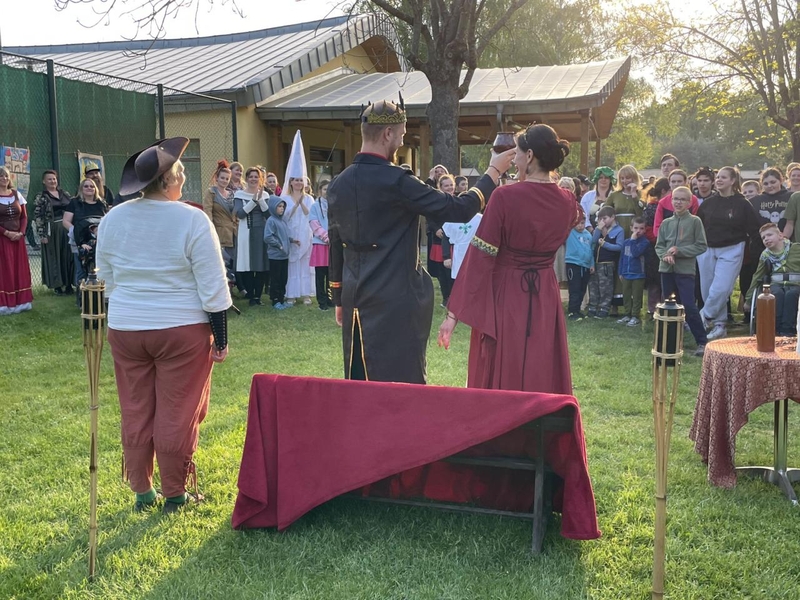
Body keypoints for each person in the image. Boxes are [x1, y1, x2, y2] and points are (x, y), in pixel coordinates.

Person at [327, 98, 512, 383]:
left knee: (360, 381)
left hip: (354, 297)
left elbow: (336, 244)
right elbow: (459, 209)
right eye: (401, 135)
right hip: (396, 298)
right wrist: (492, 172)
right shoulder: (397, 181)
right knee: (402, 383)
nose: (401, 141)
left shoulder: (338, 183)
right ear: (387, 134)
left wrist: (339, 296)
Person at [95, 137, 231, 514]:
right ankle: (174, 492)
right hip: (181, 328)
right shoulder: (191, 218)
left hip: (126, 327)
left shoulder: (112, 219)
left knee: (136, 407)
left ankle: (141, 489)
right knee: (177, 409)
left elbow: (105, 276)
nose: (185, 176)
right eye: (181, 171)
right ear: (168, 180)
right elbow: (214, 286)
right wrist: (220, 339)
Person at [437, 123, 579, 393]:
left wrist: (453, 315)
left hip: (508, 293)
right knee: (541, 361)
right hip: (545, 294)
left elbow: (480, 257)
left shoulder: (504, 196)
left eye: (518, 153)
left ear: (530, 156)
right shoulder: (567, 201)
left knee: (505, 362)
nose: (514, 159)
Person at [656, 186, 708, 356]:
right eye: (675, 199)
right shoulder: (666, 223)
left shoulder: (695, 221)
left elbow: (701, 245)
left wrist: (680, 251)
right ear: (671, 201)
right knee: (669, 306)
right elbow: (659, 246)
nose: (678, 202)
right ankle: (670, 342)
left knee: (689, 305)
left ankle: (702, 341)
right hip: (667, 270)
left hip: (685, 271)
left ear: (689, 202)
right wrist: (665, 256)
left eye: (682, 199)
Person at [743, 223, 800, 336]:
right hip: (776, 284)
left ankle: (787, 329)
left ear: (780, 236)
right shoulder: (765, 255)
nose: (766, 239)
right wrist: (749, 299)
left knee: (791, 294)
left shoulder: (796, 248)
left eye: (769, 235)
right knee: (775, 294)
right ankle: (774, 329)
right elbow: (757, 276)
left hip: (796, 284)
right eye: (763, 238)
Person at [63, 179, 109, 302]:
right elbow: (66, 221)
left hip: (99, 240)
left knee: (100, 269)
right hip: (79, 239)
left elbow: (106, 221)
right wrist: (77, 233)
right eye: (86, 186)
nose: (89, 188)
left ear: (96, 189)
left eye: (92, 186)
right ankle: (82, 299)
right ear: (81, 189)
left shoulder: (101, 203)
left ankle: (100, 298)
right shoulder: (75, 202)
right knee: (81, 270)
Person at [33, 170, 74, 295]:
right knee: (55, 256)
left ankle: (69, 285)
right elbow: (38, 216)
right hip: (52, 230)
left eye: (54, 179)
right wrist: (42, 234)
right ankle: (57, 286)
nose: (52, 181)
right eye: (49, 179)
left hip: (67, 229)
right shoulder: (41, 197)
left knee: (69, 256)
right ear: (44, 181)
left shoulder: (65, 194)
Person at [0, 166, 34, 315]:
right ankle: (5, 303)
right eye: (1, 176)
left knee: (18, 269)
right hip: (2, 239)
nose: (4, 179)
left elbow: (24, 217)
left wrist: (21, 232)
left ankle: (22, 302)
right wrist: (6, 232)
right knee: (4, 270)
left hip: (18, 240)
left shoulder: (16, 194)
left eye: (6, 176)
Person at [234, 168, 270, 306]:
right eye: (251, 176)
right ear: (247, 178)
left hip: (261, 231)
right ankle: (251, 295)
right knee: (247, 264)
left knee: (260, 264)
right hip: (245, 231)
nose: (253, 179)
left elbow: (268, 215)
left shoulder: (265, 194)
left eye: (256, 177)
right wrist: (253, 201)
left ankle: (257, 296)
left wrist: (260, 200)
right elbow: (240, 214)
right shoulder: (240, 194)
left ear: (259, 179)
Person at [587, 205, 624, 318]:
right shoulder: (599, 228)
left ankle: (604, 308)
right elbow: (593, 241)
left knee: (606, 288)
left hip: (607, 264)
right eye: (600, 219)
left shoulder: (619, 230)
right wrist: (598, 229)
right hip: (595, 263)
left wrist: (605, 244)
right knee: (593, 286)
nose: (602, 221)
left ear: (613, 217)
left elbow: (619, 247)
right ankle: (593, 307)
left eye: (605, 218)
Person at [203, 161, 237, 280]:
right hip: (219, 231)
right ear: (217, 178)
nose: (224, 180)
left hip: (233, 232)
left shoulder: (232, 194)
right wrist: (210, 229)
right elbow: (207, 211)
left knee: (233, 261)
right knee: (221, 262)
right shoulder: (211, 193)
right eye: (222, 178)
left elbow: (235, 214)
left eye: (227, 179)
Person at [428, 174, 457, 306]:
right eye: (446, 185)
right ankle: (446, 298)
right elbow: (430, 217)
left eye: (451, 185)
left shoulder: (458, 201)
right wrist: (436, 229)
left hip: (454, 242)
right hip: (439, 240)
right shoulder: (435, 201)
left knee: (453, 272)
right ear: (441, 187)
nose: (450, 187)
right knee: (442, 273)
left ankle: (455, 297)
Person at [644, 178, 670, 315]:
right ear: (664, 191)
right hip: (654, 247)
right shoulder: (652, 207)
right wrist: (659, 240)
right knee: (654, 279)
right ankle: (652, 308)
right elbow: (647, 227)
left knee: (666, 279)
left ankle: (666, 306)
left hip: (670, 247)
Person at [616, 217, 649, 326]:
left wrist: (633, 241)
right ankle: (627, 314)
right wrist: (621, 271)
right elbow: (622, 258)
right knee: (626, 295)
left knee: (637, 296)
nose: (638, 231)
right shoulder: (626, 242)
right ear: (631, 228)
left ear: (644, 230)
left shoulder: (644, 242)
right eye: (635, 228)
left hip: (638, 273)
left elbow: (636, 253)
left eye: (641, 228)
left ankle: (635, 316)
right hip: (626, 273)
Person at [264, 195, 294, 309]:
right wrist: (279, 246)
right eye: (279, 206)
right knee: (275, 279)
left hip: (284, 256)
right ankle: (275, 300)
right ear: (272, 207)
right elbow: (268, 237)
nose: (282, 209)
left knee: (283, 279)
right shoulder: (271, 221)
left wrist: (291, 240)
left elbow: (283, 236)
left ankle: (281, 299)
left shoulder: (282, 221)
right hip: (275, 256)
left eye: (283, 206)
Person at [309, 180, 332, 310]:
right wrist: (325, 236)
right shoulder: (314, 206)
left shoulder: (334, 204)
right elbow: (313, 223)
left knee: (331, 275)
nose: (326, 192)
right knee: (320, 275)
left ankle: (330, 299)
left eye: (329, 189)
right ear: (319, 191)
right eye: (324, 189)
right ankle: (321, 301)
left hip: (332, 244)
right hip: (320, 243)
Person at [564, 218, 594, 320]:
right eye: (578, 223)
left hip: (585, 266)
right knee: (574, 288)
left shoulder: (588, 235)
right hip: (573, 264)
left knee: (582, 289)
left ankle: (577, 310)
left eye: (582, 223)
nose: (580, 226)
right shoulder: (570, 232)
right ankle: (572, 312)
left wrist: (592, 264)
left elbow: (591, 250)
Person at [580, 166, 614, 231]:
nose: (603, 180)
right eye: (601, 177)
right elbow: (583, 215)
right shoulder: (587, 196)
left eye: (606, 178)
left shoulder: (615, 196)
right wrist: (591, 230)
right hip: (589, 233)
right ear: (596, 179)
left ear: (610, 180)